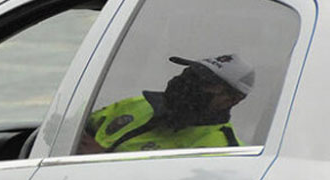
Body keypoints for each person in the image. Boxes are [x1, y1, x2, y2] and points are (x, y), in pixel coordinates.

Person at [78, 54, 255, 154]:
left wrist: (104, 159)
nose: (188, 82)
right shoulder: (139, 104)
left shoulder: (222, 150)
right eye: (191, 73)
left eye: (206, 82)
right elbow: (73, 129)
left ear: (232, 100)